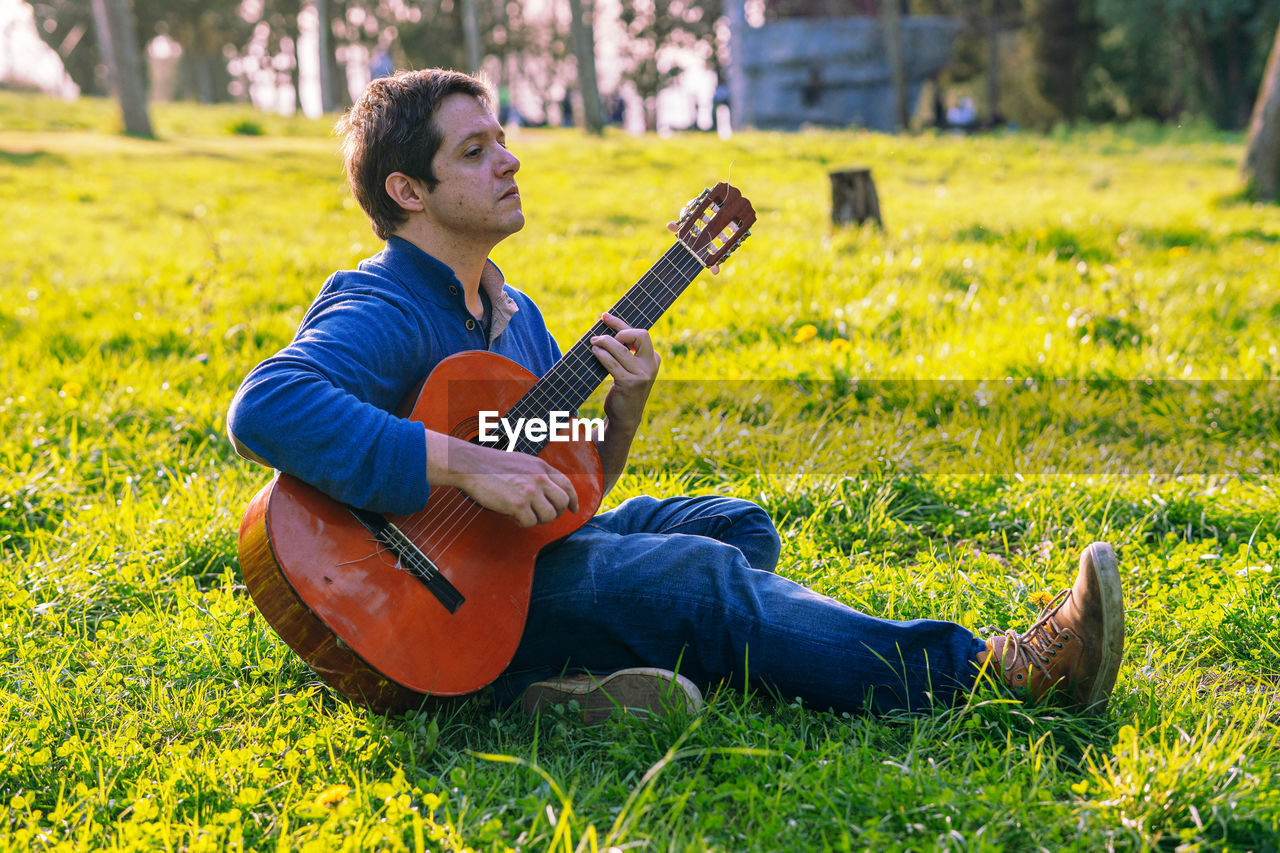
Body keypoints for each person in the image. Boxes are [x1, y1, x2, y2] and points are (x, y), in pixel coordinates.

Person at [226, 69, 1125, 722]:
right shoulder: (382, 303)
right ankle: (995, 670)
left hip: (509, 563)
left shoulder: (514, 312)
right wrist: (465, 465)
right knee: (697, 579)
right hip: (412, 594)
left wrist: (622, 411)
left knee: (734, 527)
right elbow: (266, 404)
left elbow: (566, 495)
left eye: (502, 138)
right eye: (475, 150)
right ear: (406, 191)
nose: (509, 160)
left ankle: (557, 691)